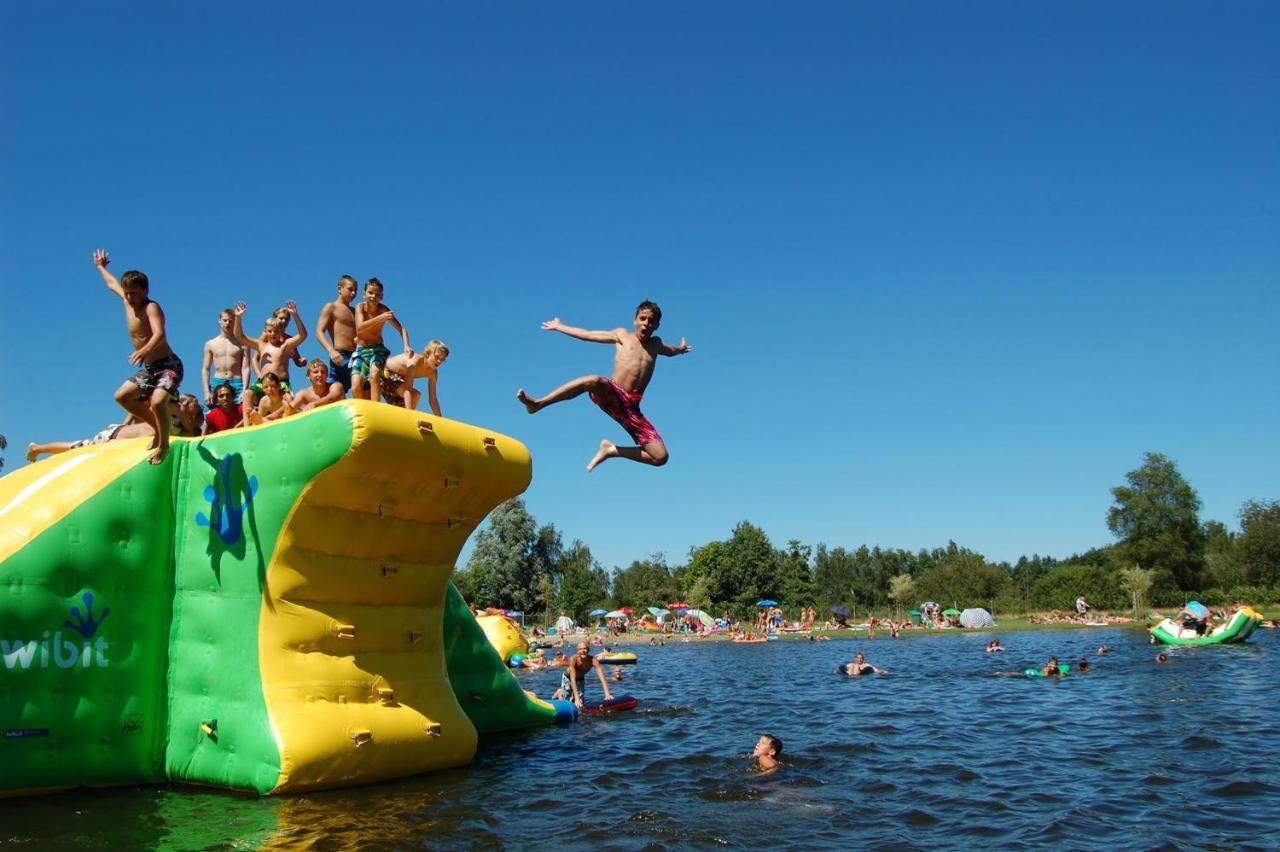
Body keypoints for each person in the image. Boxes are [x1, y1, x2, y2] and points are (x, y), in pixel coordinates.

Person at [516, 301, 692, 472]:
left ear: (657, 325)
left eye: (651, 321)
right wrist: (560, 326)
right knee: (594, 380)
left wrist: (681, 349)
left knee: (660, 457)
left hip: (631, 409)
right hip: (612, 393)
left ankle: (611, 450)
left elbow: (670, 350)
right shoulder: (622, 335)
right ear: (635, 320)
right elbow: (588, 334)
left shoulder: (656, 344)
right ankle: (538, 403)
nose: (646, 324)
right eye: (642, 318)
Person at [94, 249, 183, 465]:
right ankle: (157, 429)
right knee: (122, 396)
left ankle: (164, 444)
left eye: (134, 293)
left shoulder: (151, 307)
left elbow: (159, 334)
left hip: (168, 365)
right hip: (151, 369)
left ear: (145, 291)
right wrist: (100, 267)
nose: (130, 297)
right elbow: (111, 284)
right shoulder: (126, 302)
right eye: (127, 293)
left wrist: (144, 350)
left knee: (158, 400)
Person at [234, 301, 307, 413]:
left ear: (280, 332)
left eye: (276, 332)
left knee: (289, 399)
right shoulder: (261, 345)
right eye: (270, 331)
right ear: (266, 331)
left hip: (281, 382)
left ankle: (285, 422)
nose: (273, 334)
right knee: (248, 394)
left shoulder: (285, 345)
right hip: (263, 381)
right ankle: (248, 426)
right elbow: (240, 337)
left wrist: (295, 315)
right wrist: (238, 318)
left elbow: (303, 335)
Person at [351, 277, 410, 403]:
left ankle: (375, 406)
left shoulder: (383, 310)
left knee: (374, 375)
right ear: (364, 293)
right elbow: (360, 329)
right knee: (355, 386)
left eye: (377, 294)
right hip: (361, 351)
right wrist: (380, 318)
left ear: (381, 296)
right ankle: (362, 411)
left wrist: (406, 345)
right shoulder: (360, 307)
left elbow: (402, 328)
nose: (373, 296)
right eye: (370, 293)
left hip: (377, 350)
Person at [316, 274, 359, 395]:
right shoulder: (331, 307)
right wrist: (331, 351)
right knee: (335, 392)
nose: (353, 293)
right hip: (340, 356)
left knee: (362, 386)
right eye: (350, 289)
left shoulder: (355, 311)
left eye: (355, 290)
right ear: (339, 289)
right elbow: (319, 332)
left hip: (356, 355)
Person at [201, 308, 250, 409]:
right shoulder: (210, 344)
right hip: (218, 381)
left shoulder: (243, 344)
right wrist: (206, 391)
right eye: (225, 320)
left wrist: (245, 389)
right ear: (219, 320)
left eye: (231, 321)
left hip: (236, 382)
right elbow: (206, 369)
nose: (228, 323)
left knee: (240, 413)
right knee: (210, 413)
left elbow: (246, 368)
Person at [381, 340, 449, 413]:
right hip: (384, 371)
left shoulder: (433, 373)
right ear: (428, 353)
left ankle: (399, 418)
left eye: (442, 359)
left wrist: (439, 420)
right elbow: (407, 390)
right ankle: (407, 417)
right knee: (413, 395)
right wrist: (410, 415)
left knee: (415, 396)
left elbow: (433, 400)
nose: (439, 361)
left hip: (397, 381)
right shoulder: (414, 361)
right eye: (437, 357)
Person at [554, 641, 614, 708]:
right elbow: (572, 679)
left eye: (585, 648)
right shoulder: (573, 659)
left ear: (588, 650)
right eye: (580, 649)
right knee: (566, 703)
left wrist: (607, 694)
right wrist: (576, 698)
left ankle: (573, 698)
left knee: (581, 704)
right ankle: (559, 693)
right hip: (568, 678)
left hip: (580, 679)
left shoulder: (593, 660)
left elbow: (602, 678)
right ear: (577, 651)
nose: (583, 651)